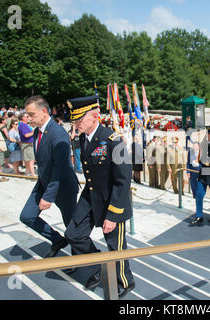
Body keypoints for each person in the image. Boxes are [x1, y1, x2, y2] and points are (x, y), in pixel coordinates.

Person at [64, 95, 135, 298]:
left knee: (116, 247)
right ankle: (99, 266)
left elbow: (123, 180)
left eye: (79, 120)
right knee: (73, 234)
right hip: (91, 196)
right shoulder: (82, 138)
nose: (76, 124)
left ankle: (125, 281)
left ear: (94, 116)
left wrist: (112, 215)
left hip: (113, 202)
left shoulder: (113, 140)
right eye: (74, 121)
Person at [19, 96, 79, 258]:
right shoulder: (38, 131)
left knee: (72, 227)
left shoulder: (57, 133)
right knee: (27, 216)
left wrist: (49, 196)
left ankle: (81, 258)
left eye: (31, 114)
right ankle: (57, 240)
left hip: (63, 186)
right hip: (44, 182)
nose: (28, 118)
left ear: (44, 111)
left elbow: (61, 167)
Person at [190, 126, 210, 226]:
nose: (209, 135)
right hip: (203, 172)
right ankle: (199, 216)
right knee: (199, 194)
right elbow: (200, 154)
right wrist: (197, 161)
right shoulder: (203, 143)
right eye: (208, 133)